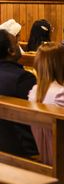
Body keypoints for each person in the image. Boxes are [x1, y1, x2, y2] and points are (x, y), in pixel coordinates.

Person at [0, 29, 38, 157]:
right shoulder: (23, 79)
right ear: (11, 51)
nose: (19, 46)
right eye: (16, 43)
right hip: (20, 149)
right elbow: (38, 117)